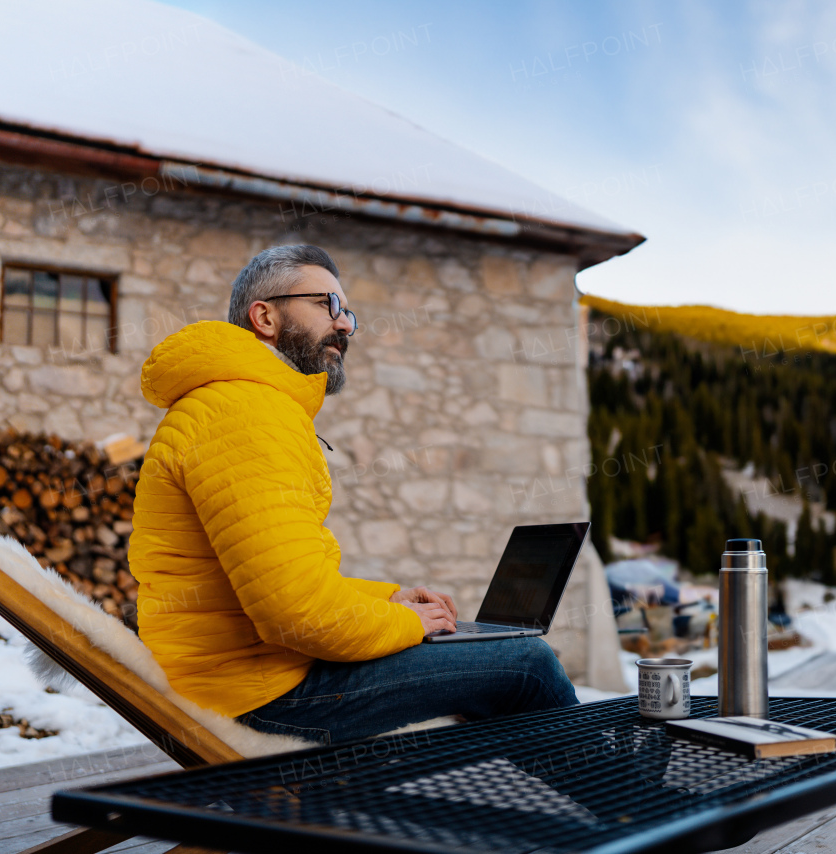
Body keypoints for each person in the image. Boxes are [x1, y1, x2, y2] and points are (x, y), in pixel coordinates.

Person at [128, 244, 577, 745]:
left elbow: (290, 582)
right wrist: (405, 623)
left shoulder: (238, 403)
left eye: (348, 313)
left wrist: (390, 599)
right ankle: (625, 811)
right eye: (327, 305)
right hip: (259, 696)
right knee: (527, 667)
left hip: (245, 676)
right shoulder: (245, 414)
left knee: (493, 663)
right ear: (265, 317)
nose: (345, 326)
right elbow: (295, 615)